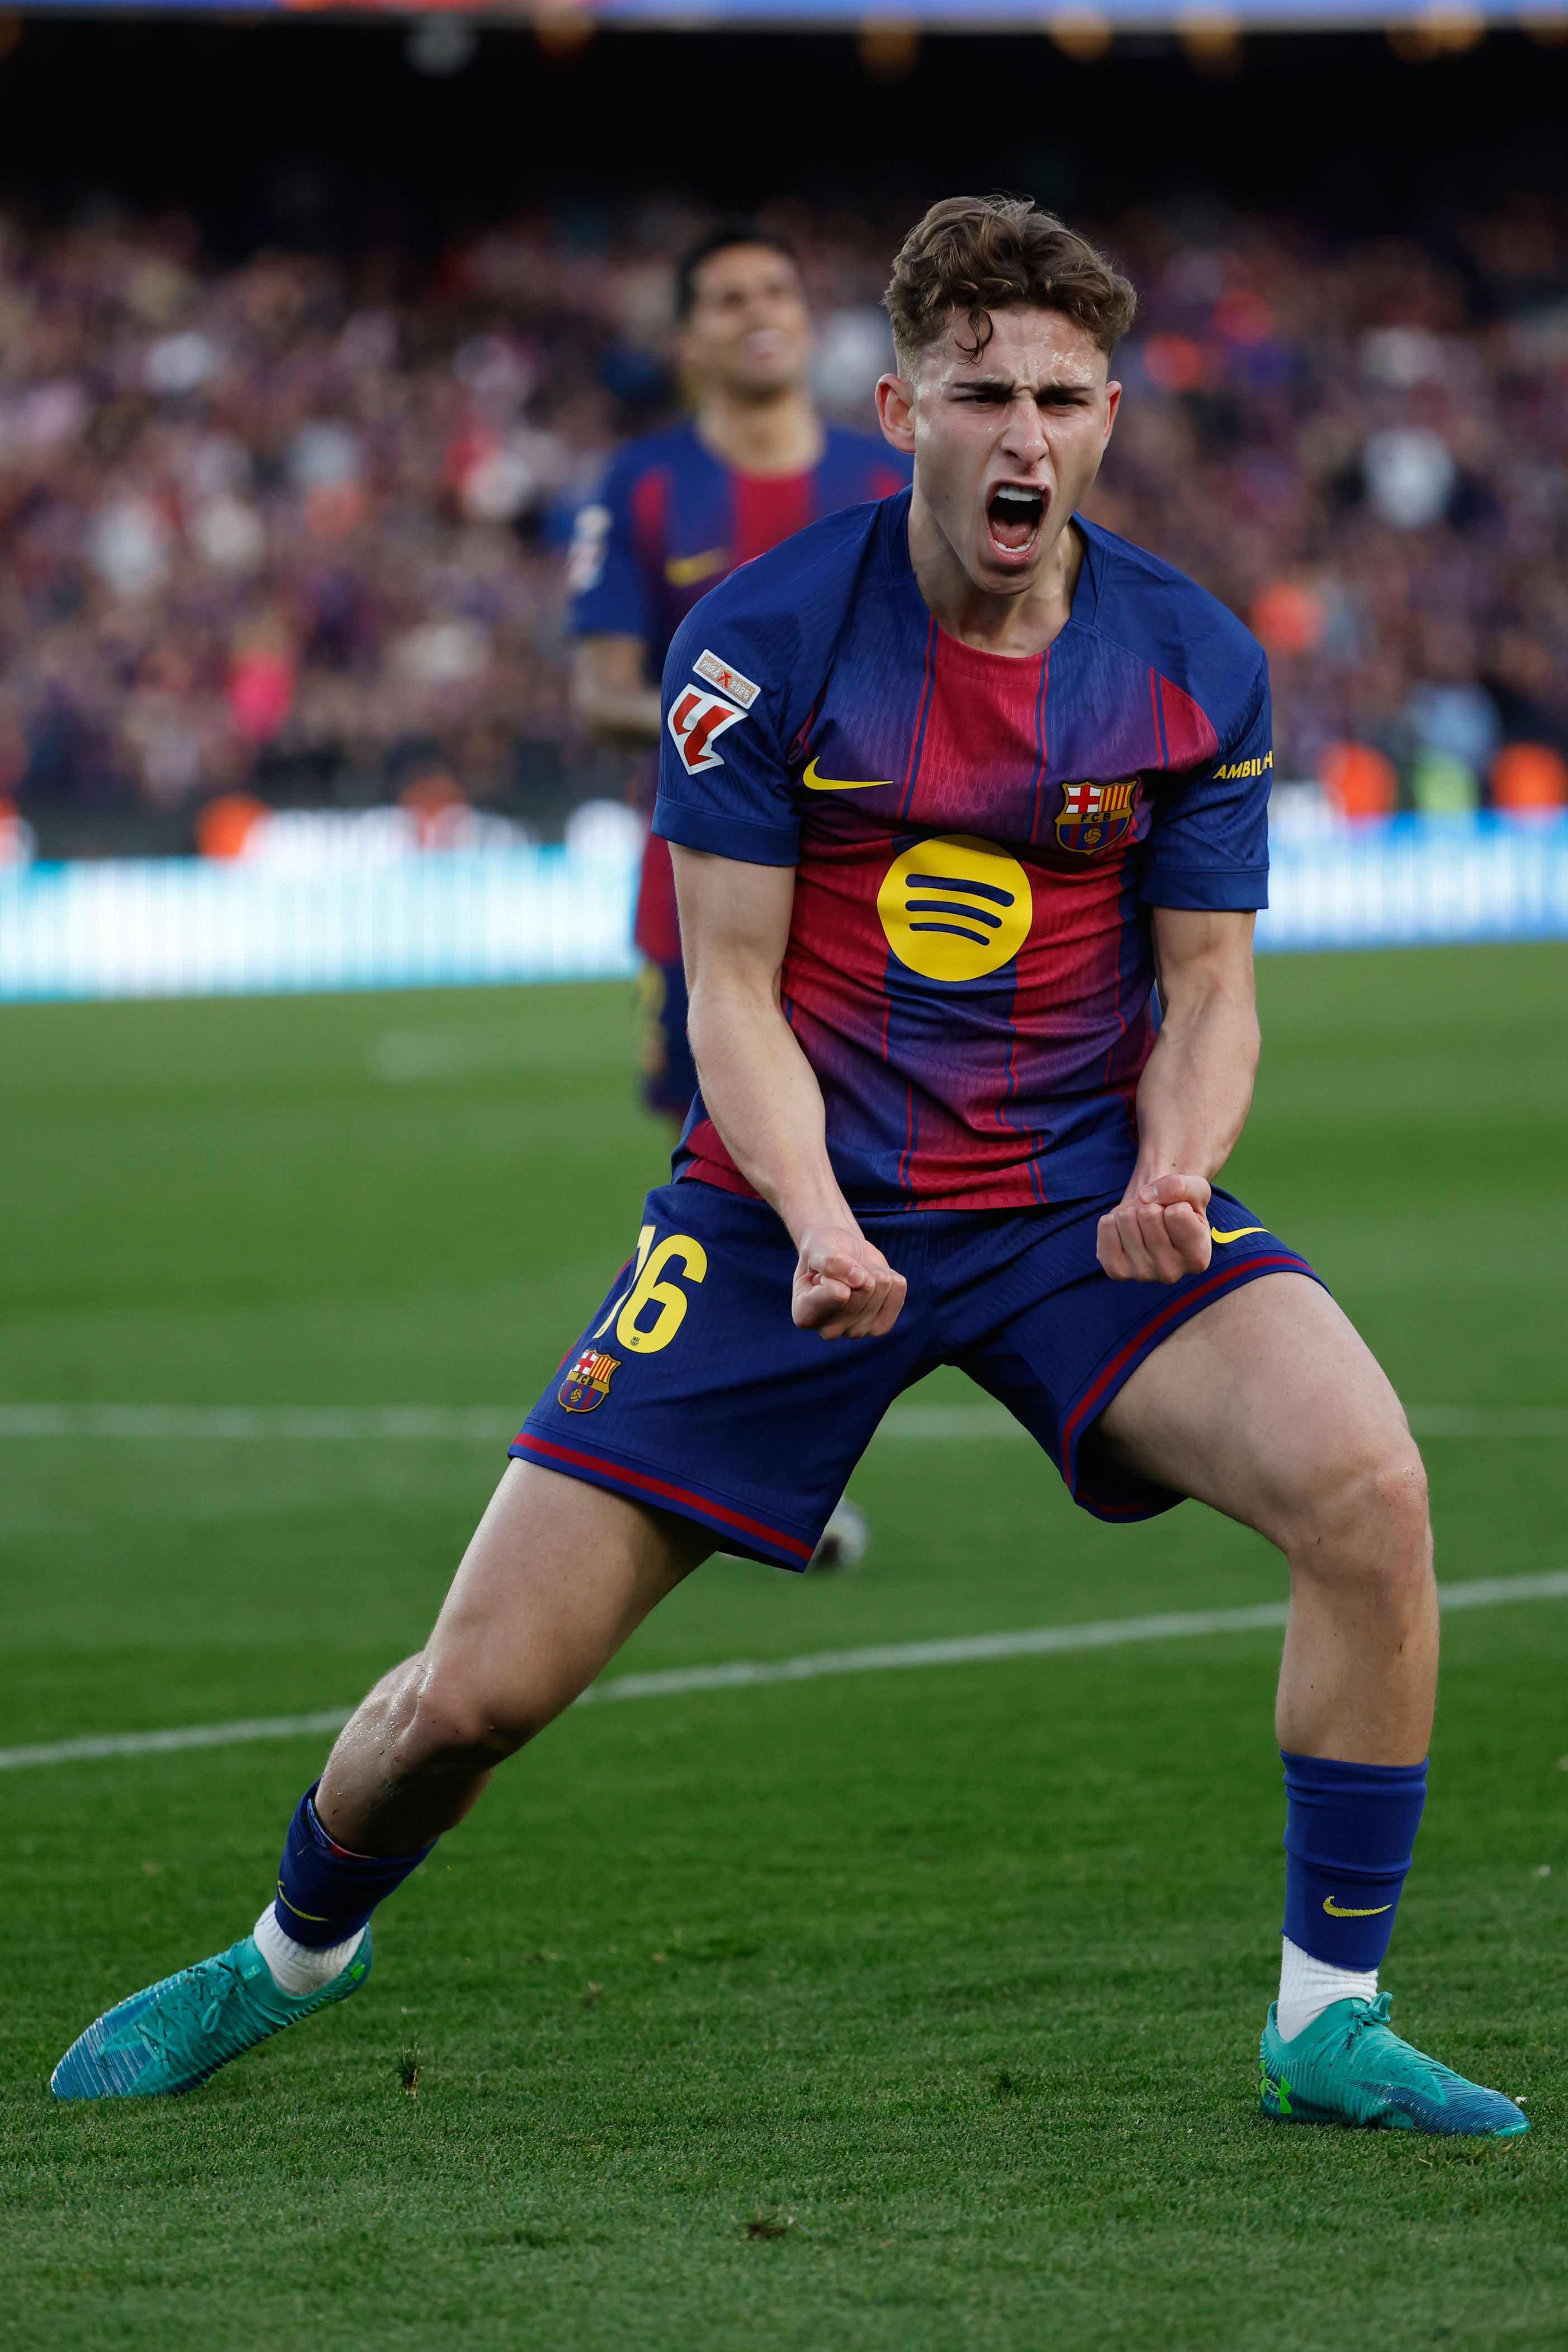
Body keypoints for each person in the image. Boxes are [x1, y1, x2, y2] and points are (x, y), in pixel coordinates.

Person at [53, 196, 1525, 2138]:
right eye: (981, 395)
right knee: (473, 1695)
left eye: (1060, 398)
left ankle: (1325, 2019)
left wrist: (1177, 1167)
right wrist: (820, 1221)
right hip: (778, 1215)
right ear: (899, 411)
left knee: (1367, 1488)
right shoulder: (759, 638)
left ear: (1106, 419)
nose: (1021, 434)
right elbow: (728, 993)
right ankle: (289, 1950)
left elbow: (1210, 988)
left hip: (1073, 1202)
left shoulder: (1189, 661)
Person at [571, 215, 907, 1570]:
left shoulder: (886, 480)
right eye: (726, 296)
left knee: (863, 1168)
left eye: (778, 287)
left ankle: (760, 1464)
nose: (759, 310)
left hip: (874, 897)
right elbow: (598, 688)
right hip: (702, 894)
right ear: (686, 338)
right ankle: (720, 1461)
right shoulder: (644, 486)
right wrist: (740, 717)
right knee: (725, 1176)